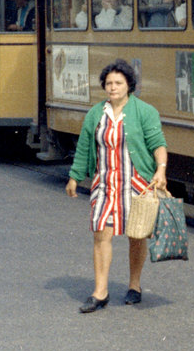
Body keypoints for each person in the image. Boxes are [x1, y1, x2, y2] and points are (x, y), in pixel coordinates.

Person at [65, 60, 168, 311]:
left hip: (136, 182)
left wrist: (161, 169)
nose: (113, 87)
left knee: (136, 235)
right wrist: (75, 177)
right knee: (101, 233)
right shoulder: (96, 113)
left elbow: (158, 144)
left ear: (128, 85)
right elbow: (84, 148)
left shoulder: (144, 111)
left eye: (118, 83)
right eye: (109, 83)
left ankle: (134, 285)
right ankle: (100, 292)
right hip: (105, 183)